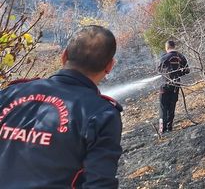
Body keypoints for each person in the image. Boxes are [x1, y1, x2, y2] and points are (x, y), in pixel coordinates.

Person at [0, 25, 122, 188]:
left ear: (64, 56)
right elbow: (100, 184)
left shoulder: (9, 93)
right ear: (109, 66)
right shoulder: (102, 114)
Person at [157, 40, 189, 134]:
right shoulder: (181, 56)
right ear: (174, 46)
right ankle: (169, 128)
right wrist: (179, 73)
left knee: (163, 107)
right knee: (172, 106)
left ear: (166, 48)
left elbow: (159, 70)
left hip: (165, 86)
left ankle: (162, 130)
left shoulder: (164, 58)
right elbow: (187, 70)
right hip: (176, 86)